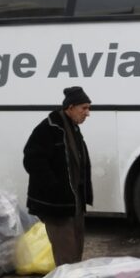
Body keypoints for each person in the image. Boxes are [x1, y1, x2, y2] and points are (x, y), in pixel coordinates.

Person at [23, 86, 93, 266]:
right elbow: (32, 160)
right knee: (66, 254)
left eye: (88, 108)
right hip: (57, 204)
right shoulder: (49, 128)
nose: (88, 113)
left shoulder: (73, 127)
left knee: (76, 246)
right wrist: (54, 188)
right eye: (84, 108)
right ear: (70, 107)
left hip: (74, 201)